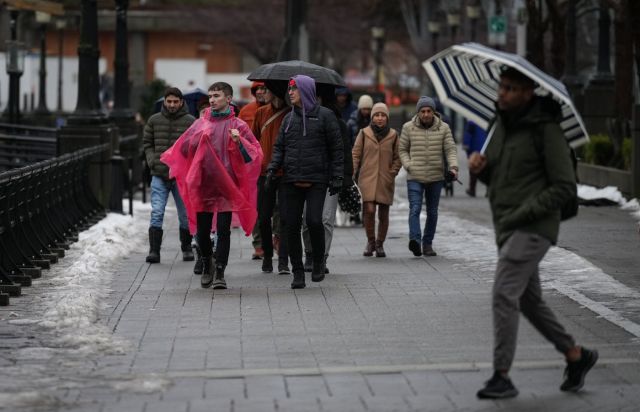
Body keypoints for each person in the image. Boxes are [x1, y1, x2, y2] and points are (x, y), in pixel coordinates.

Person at [469, 67, 598, 399]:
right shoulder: (501, 128)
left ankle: (502, 375)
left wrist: (524, 213)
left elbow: (564, 186)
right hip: (508, 226)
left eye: (511, 88)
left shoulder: (546, 130)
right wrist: (481, 171)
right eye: (502, 87)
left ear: (528, 93)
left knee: (503, 294)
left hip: (533, 227)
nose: (503, 93)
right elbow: (499, 181)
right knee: (529, 300)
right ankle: (575, 355)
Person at [161, 82, 263, 290]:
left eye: (216, 95)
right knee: (202, 231)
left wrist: (240, 142)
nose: (212, 100)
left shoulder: (239, 126)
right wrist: (197, 139)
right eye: (210, 96)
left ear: (228, 98)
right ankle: (207, 261)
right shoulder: (201, 124)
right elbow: (184, 150)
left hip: (227, 186)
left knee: (224, 230)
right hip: (204, 184)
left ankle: (220, 272)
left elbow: (254, 157)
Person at [267, 75, 343, 289]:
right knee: (291, 225)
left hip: (317, 178)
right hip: (291, 179)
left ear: (306, 91)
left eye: (294, 89)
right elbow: (279, 147)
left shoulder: (326, 116)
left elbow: (337, 149)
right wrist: (273, 168)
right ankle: (297, 271)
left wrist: (337, 176)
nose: (289, 93)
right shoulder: (288, 119)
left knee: (314, 221)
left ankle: (318, 261)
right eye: (289, 89)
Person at [301, 87, 354, 274]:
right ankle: (309, 253)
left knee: (326, 219)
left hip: (330, 177)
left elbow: (344, 152)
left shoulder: (337, 122)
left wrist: (345, 177)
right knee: (307, 219)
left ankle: (321, 257)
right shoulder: (301, 120)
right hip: (309, 176)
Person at [399, 96, 458, 257]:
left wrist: (453, 167)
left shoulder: (444, 128)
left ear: (434, 112)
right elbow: (402, 149)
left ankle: (428, 244)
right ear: (418, 112)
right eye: (423, 111)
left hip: (435, 176)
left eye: (428, 111)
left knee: (432, 211)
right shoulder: (408, 128)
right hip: (415, 176)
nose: (426, 114)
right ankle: (415, 241)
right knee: (415, 209)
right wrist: (408, 165)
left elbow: (450, 149)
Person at [143, 87, 196, 264]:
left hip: (181, 176)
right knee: (157, 212)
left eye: (175, 101)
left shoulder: (190, 122)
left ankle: (187, 248)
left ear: (181, 102)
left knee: (185, 214)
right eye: (169, 101)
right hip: (159, 173)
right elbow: (147, 143)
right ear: (164, 102)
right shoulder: (154, 120)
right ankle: (154, 251)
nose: (172, 104)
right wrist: (152, 160)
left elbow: (195, 147)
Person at [352, 102, 401, 257]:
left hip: (385, 179)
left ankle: (380, 244)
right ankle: (370, 241)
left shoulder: (393, 135)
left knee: (384, 214)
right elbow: (356, 154)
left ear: (387, 118)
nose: (380, 118)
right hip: (367, 178)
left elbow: (398, 157)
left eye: (383, 115)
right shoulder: (364, 133)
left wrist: (392, 172)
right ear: (372, 118)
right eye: (377, 115)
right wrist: (352, 173)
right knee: (369, 210)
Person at [252, 85, 290, 275]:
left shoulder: (291, 113)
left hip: (286, 173)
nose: (261, 93)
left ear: (275, 91)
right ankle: (267, 254)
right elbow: (254, 140)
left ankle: (283, 260)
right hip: (264, 172)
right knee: (264, 217)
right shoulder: (260, 113)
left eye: (266, 90)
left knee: (285, 217)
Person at [239, 81, 268, 260]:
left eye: (264, 89)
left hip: (272, 164)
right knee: (256, 206)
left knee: (277, 207)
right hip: (251, 166)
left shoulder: (278, 110)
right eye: (257, 89)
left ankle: (277, 238)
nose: (260, 92)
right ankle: (259, 244)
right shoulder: (246, 111)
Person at [462, 120, 488, 197]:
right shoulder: (487, 120)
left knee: (473, 168)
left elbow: (468, 135)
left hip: (474, 148)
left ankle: (472, 189)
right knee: (487, 167)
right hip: (486, 147)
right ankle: (488, 190)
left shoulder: (472, 122)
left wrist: (466, 145)